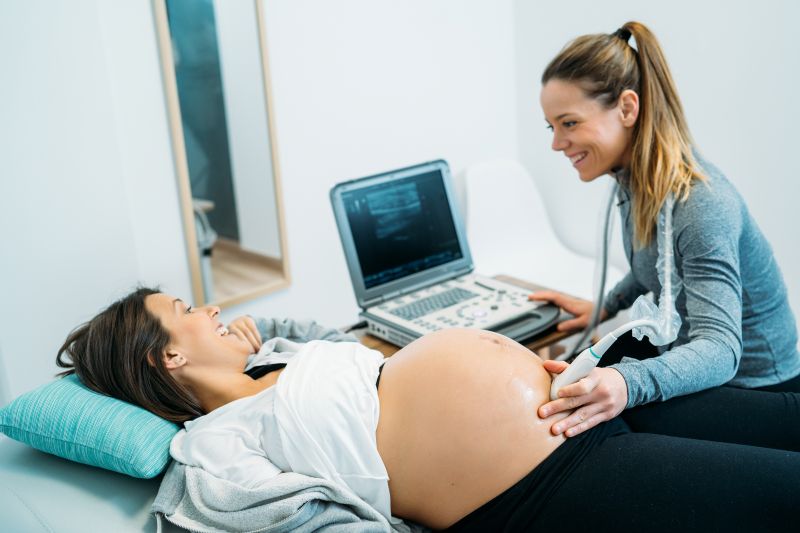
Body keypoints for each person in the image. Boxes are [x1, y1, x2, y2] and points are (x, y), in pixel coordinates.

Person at [56, 287, 800, 531]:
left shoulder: (278, 360)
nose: (212, 308)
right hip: (542, 480)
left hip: (581, 395)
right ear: (166, 357)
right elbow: (313, 525)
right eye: (188, 311)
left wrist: (263, 338)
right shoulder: (213, 449)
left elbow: (342, 342)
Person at [532, 21, 800, 443]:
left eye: (569, 123)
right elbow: (655, 267)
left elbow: (721, 349)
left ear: (627, 108)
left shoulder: (701, 206)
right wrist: (605, 306)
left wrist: (627, 383)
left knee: (603, 421)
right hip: (695, 358)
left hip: (759, 387)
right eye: (552, 127)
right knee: (575, 391)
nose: (557, 144)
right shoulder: (636, 184)